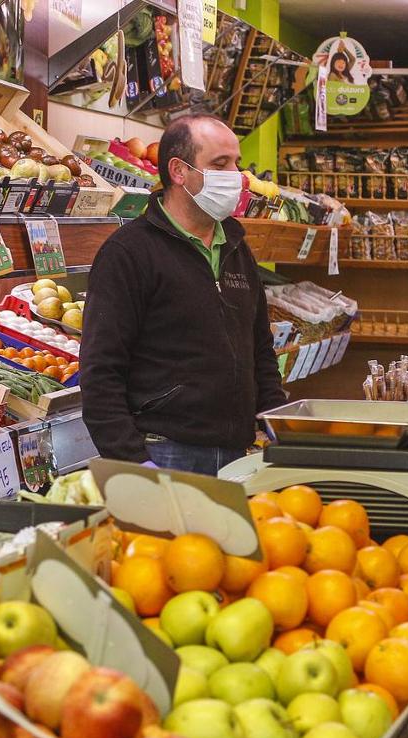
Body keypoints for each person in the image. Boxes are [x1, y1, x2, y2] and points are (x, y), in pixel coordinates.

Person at [80, 115, 286, 475]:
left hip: (240, 452)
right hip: (165, 454)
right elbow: (101, 372)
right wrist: (134, 463)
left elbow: (260, 348)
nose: (235, 176)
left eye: (236, 163)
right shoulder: (129, 254)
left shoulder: (235, 247)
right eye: (220, 164)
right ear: (178, 171)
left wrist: (277, 424)